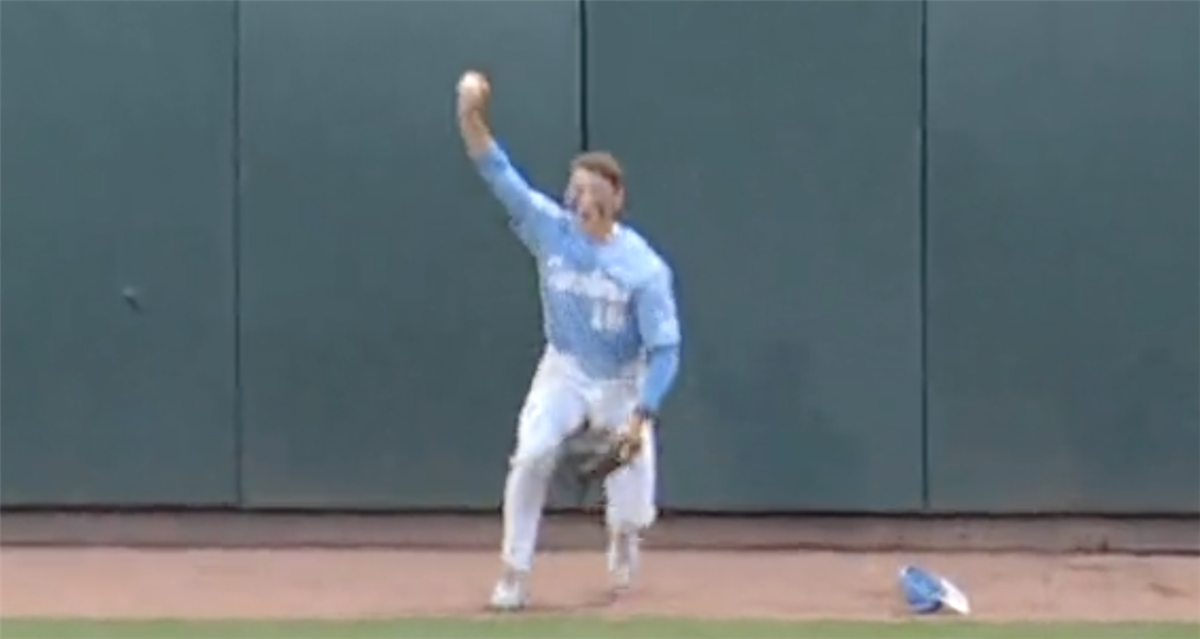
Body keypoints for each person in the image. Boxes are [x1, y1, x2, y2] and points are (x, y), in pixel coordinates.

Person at [456, 70, 683, 611]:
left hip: (623, 377)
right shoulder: (550, 229)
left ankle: (623, 535)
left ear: (616, 198)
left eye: (593, 189)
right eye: (576, 187)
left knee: (630, 492)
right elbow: (497, 171)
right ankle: (514, 572)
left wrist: (642, 412)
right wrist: (469, 114)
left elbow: (666, 350)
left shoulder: (643, 268)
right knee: (532, 456)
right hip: (566, 367)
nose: (581, 197)